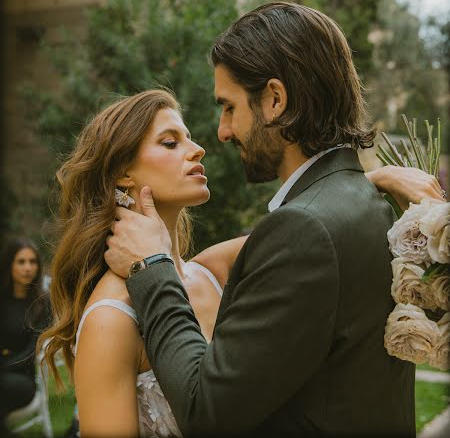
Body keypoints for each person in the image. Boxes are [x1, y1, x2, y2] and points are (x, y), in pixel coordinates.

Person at [105, 2, 446, 438]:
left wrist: (150, 268)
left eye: (229, 107)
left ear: (274, 100)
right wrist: (374, 178)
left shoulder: (303, 230)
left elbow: (205, 412)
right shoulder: (366, 203)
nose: (222, 132)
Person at [37, 87, 440, 438]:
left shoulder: (209, 270)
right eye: (170, 142)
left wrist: (382, 176)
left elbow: (307, 231)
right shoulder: (111, 318)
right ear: (123, 173)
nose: (198, 148)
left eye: (189, 137)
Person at [0, 237, 52, 435]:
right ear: (9, 264)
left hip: (22, 377)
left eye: (33, 262)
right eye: (21, 262)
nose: (28, 267)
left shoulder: (43, 303)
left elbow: (33, 350)